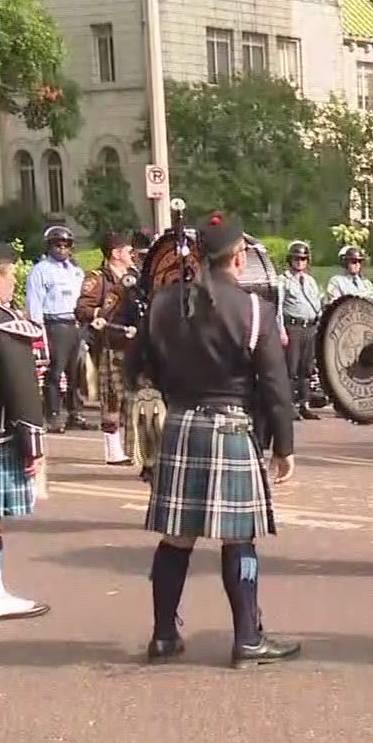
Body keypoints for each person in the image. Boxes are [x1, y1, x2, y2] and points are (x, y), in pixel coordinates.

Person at [133, 213, 298, 667]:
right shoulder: (254, 311)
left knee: (177, 538)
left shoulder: (163, 304)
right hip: (231, 429)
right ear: (240, 257)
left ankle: (164, 636)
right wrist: (283, 447)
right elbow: (276, 388)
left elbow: (138, 366)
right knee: (239, 537)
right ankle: (247, 639)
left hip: (181, 425)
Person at [0, 244, 49, 621]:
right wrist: (32, 443)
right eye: (10, 274)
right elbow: (21, 387)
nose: (13, 281)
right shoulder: (1, 322)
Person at [75, 232, 140, 463]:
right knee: (112, 398)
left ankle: (136, 450)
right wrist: (103, 313)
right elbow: (82, 309)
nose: (131, 254)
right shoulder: (97, 278)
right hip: (111, 344)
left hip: (136, 345)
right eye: (126, 250)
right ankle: (113, 451)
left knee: (136, 398)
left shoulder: (137, 275)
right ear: (115, 254)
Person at [27, 223, 87, 433]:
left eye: (65, 245)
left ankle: (75, 413)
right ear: (49, 247)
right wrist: (38, 330)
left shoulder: (76, 272)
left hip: (75, 324)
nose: (61, 249)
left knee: (76, 372)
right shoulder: (40, 271)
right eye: (57, 245)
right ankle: (53, 416)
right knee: (55, 371)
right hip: (54, 325)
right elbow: (34, 302)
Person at [274, 240, 324, 420]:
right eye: (296, 259)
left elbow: (317, 302)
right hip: (292, 326)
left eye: (303, 259)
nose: (300, 262)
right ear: (290, 260)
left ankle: (304, 403)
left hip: (309, 326)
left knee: (307, 368)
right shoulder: (283, 281)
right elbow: (278, 307)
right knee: (291, 368)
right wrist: (281, 331)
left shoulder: (310, 281)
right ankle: (290, 405)